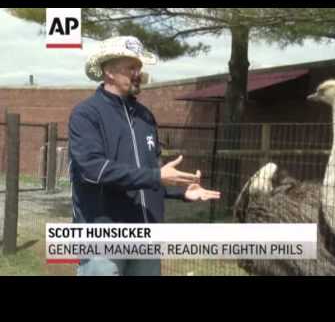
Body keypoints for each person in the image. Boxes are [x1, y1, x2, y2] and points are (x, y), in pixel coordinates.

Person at [68, 36, 221, 276]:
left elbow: (151, 173)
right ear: (109, 71)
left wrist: (181, 190)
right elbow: (93, 169)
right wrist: (156, 175)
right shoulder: (86, 114)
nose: (138, 73)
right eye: (131, 67)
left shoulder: (145, 116)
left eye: (139, 67)